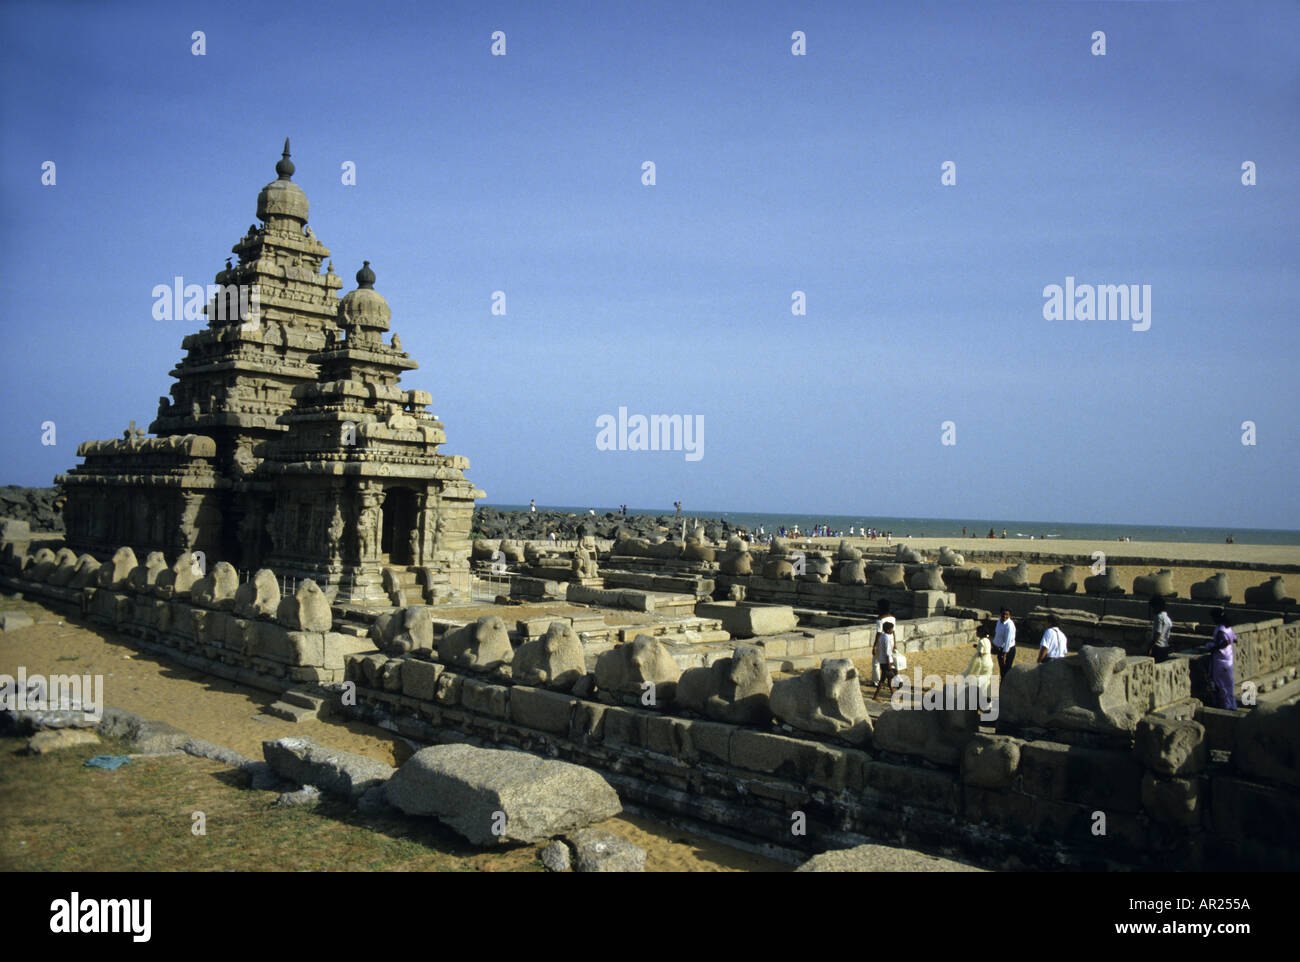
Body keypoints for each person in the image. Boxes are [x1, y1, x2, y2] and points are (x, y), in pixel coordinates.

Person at [1206, 608, 1237, 709]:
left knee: (1221, 685)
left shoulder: (1221, 630)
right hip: (1229, 659)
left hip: (1221, 660)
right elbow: (1234, 639)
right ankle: (1232, 705)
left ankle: (1226, 706)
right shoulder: (1228, 628)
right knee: (1229, 685)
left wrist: (1213, 647)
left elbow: (1225, 642)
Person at [873, 620, 898, 700]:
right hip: (887, 661)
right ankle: (891, 695)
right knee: (887, 679)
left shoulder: (882, 637)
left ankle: (877, 696)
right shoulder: (887, 638)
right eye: (891, 629)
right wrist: (889, 664)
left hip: (882, 660)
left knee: (885, 679)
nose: (892, 630)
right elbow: (888, 652)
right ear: (888, 630)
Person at [1148, 595, 1173, 663]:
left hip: (1157, 647)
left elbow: (1158, 633)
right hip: (1165, 646)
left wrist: (1151, 647)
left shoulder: (1158, 617)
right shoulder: (1168, 619)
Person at [992, 607, 1016, 675]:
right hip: (1000, 649)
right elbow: (997, 635)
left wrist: (1004, 654)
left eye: (1007, 614)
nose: (1005, 616)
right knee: (1002, 669)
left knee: (1006, 670)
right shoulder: (999, 622)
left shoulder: (1009, 625)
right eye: (1003, 614)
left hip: (1008, 650)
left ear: (1009, 615)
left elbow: (1008, 640)